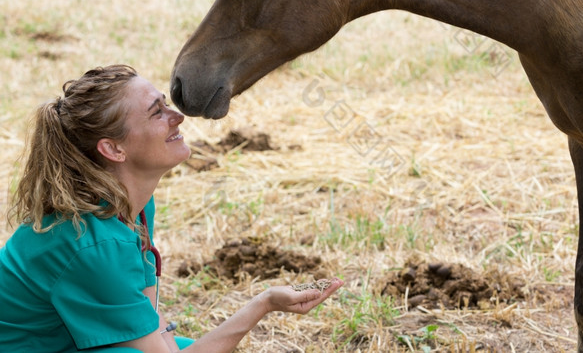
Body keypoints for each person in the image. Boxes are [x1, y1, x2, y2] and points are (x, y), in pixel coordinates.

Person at [0, 64, 343, 352]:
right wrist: (263, 304)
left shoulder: (132, 204)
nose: (177, 116)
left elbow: (159, 335)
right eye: (157, 112)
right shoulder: (94, 243)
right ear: (114, 149)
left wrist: (263, 302)